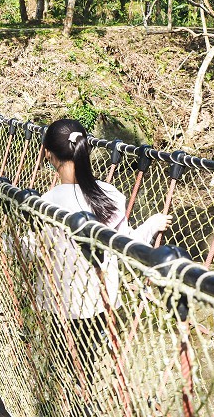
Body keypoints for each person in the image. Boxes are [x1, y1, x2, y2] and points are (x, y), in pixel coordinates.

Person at [31, 118, 171, 391]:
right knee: (87, 360)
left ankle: (66, 394)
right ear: (86, 149)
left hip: (59, 302)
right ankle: (83, 392)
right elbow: (128, 244)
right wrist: (152, 223)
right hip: (100, 300)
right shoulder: (110, 196)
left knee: (62, 364)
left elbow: (34, 249)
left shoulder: (44, 204)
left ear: (47, 152)